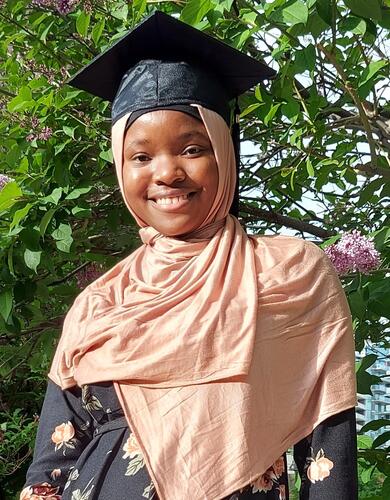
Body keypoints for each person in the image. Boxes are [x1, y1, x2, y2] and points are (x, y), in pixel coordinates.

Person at [21, 11, 358, 500]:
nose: (166, 173)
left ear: (224, 152)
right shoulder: (100, 300)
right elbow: (52, 462)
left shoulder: (291, 273)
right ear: (121, 167)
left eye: (192, 148)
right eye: (140, 156)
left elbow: (328, 446)